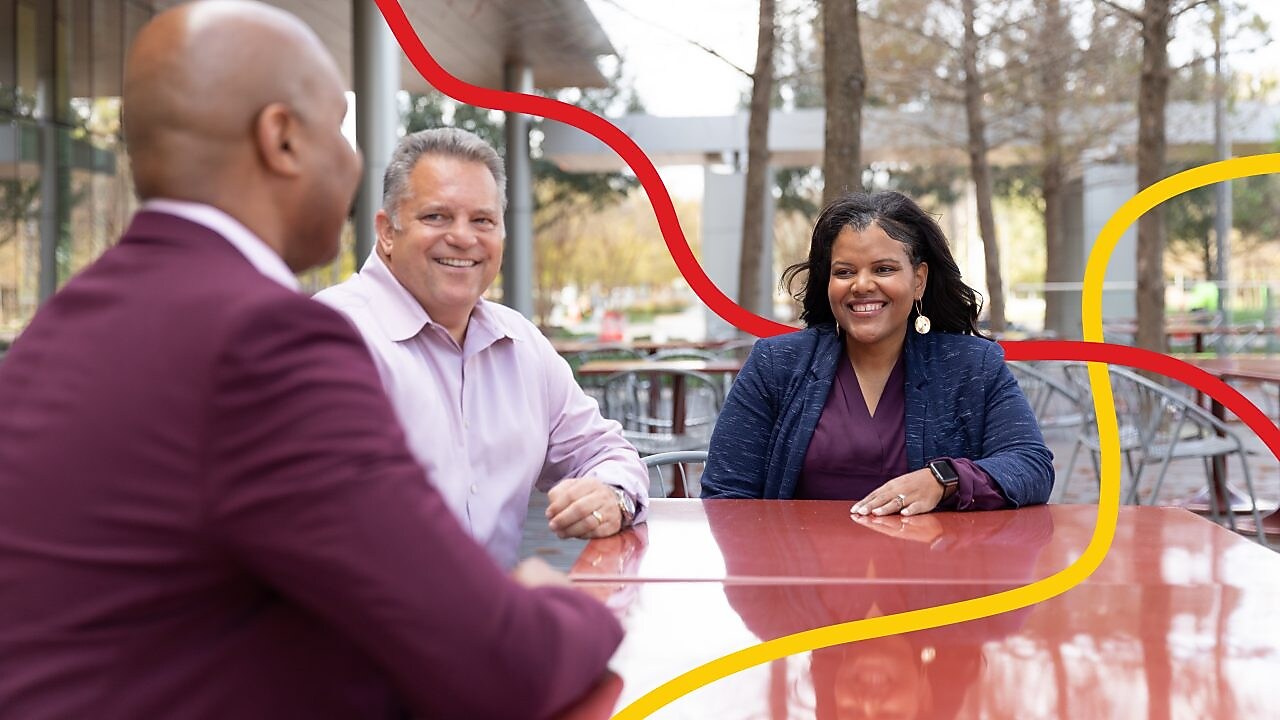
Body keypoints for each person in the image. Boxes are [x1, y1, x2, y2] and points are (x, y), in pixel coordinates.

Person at [0, 3, 621, 718]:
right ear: (282, 139)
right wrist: (573, 606)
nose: (352, 164)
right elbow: (497, 659)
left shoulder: (60, 328)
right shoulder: (265, 339)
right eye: (340, 129)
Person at [314, 128, 648, 569]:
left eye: (483, 220)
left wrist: (610, 495)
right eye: (436, 216)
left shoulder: (521, 343)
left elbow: (606, 452)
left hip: (489, 628)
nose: (463, 237)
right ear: (386, 231)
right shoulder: (331, 336)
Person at [701, 191, 1053, 513]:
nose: (863, 285)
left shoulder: (971, 365)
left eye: (884, 269)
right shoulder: (776, 365)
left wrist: (944, 479)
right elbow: (726, 494)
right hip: (803, 576)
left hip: (934, 572)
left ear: (919, 280)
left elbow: (1031, 465)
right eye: (845, 272)